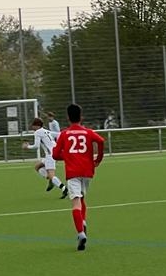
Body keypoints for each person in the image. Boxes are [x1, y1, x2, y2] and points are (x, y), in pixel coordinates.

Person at [53, 103, 105, 251]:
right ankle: (83, 222)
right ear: (81, 117)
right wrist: (98, 159)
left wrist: (68, 156)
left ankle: (81, 233)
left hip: (73, 172)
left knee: (76, 202)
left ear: (68, 117)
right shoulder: (88, 132)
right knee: (82, 198)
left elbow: (55, 155)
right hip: (87, 171)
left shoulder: (64, 134)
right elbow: (101, 141)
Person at [23, 117, 68, 198]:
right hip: (54, 153)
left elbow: (36, 146)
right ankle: (51, 180)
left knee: (51, 174)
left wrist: (27, 147)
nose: (32, 127)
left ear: (37, 126)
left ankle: (64, 188)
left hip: (50, 155)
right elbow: (59, 134)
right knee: (37, 166)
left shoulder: (37, 132)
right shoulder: (46, 131)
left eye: (33, 125)